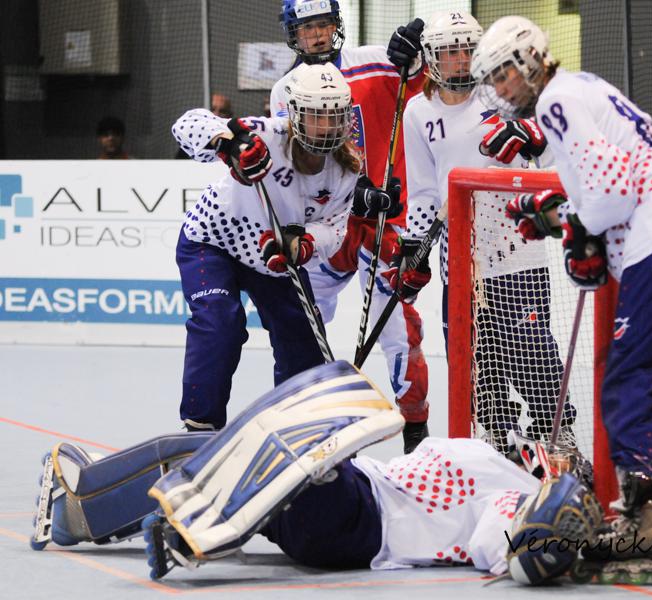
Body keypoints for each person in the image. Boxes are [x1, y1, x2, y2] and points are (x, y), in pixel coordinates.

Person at [471, 16, 652, 561]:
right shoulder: (585, 87)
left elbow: (610, 195)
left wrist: (575, 228)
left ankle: (649, 520)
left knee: (628, 380)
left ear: (527, 62)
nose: (499, 88)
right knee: (645, 381)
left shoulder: (554, 103)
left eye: (503, 75)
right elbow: (605, 185)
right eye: (492, 79)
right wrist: (564, 219)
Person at [30, 361, 604, 587]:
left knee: (229, 452)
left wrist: (553, 531)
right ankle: (120, 517)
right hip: (350, 505)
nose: (555, 456)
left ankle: (97, 515)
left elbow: (514, 555)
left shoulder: (513, 493)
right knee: (201, 454)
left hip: (358, 519)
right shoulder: (498, 463)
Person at [171, 62, 396, 431]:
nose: (326, 127)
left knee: (304, 337)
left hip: (271, 259)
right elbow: (187, 124)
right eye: (316, 116)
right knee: (220, 322)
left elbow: (334, 227)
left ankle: (299, 426)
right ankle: (199, 428)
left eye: (334, 117)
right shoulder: (265, 134)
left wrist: (303, 244)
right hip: (213, 241)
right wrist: (229, 144)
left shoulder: (347, 169)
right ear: (294, 114)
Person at [401, 10, 577, 453]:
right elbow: (424, 191)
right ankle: (493, 439)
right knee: (477, 359)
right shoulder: (419, 112)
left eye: (467, 50)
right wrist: (416, 248)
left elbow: (556, 146)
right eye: (449, 52)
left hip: (518, 248)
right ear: (432, 58)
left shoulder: (501, 95)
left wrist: (528, 129)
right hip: (459, 257)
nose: (460, 60)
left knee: (532, 351)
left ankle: (557, 435)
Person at [270, 0, 432, 453]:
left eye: (324, 25)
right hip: (327, 223)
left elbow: (423, 85)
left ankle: (415, 431)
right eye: (307, 29)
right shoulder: (285, 89)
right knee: (304, 320)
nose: (317, 36)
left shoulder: (375, 62)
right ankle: (309, 419)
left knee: (399, 328)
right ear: (293, 34)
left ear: (336, 28)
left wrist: (414, 57)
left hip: (386, 222)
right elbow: (294, 161)